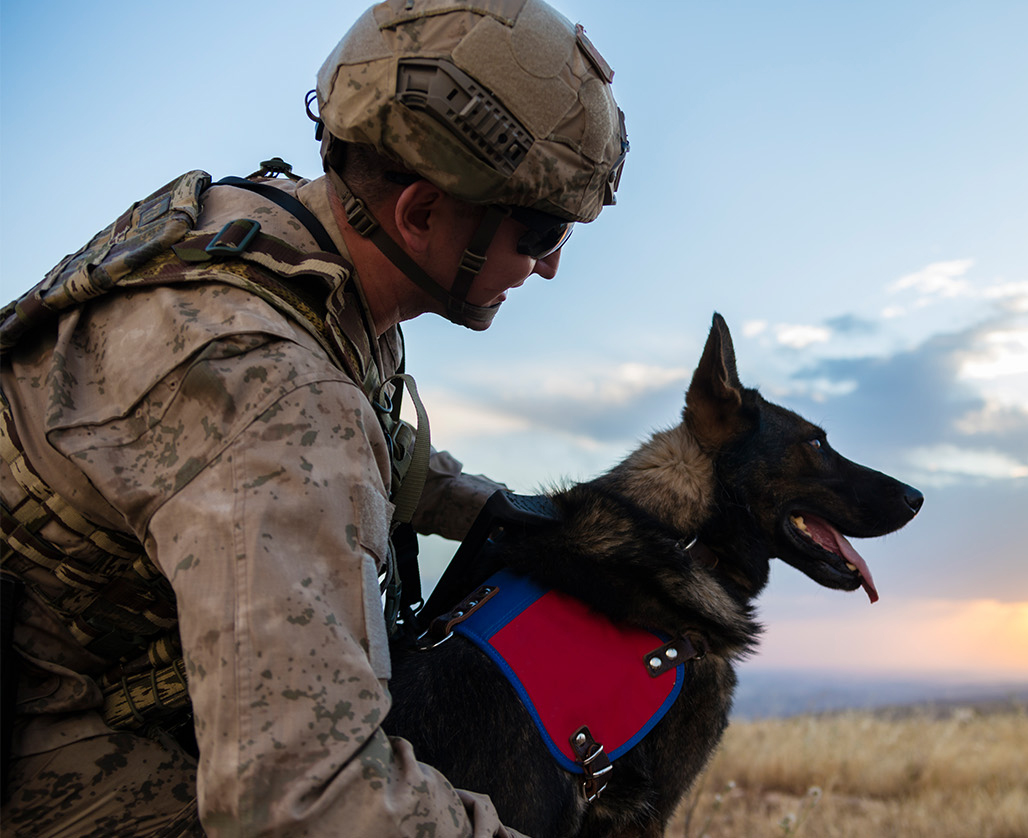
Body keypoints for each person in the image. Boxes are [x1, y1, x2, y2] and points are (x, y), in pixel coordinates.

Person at [0, 1, 628, 835]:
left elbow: (366, 433)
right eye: (541, 230)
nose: (548, 266)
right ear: (421, 214)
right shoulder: (276, 403)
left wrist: (493, 509)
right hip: (51, 717)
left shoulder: (268, 233)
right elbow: (302, 799)